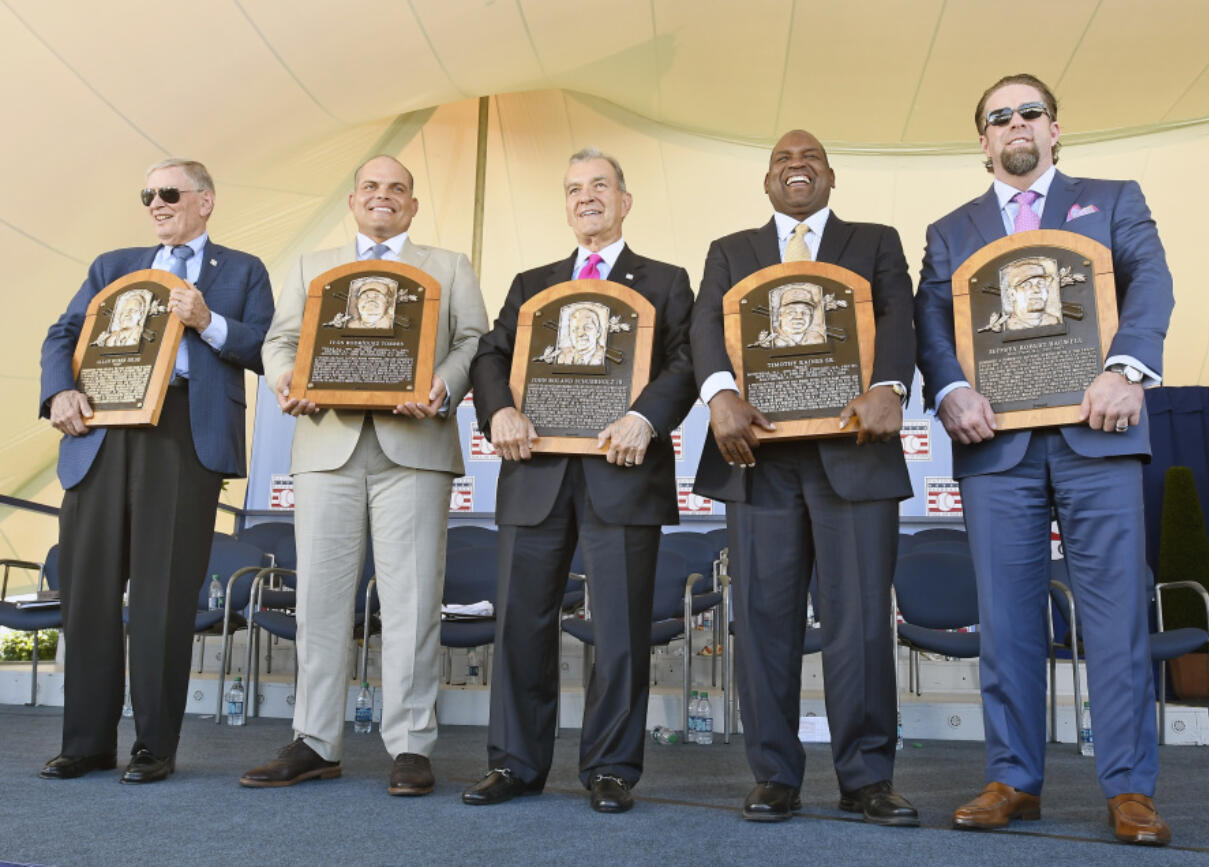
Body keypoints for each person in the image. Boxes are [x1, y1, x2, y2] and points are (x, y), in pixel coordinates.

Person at [914, 73, 1174, 846]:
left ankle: (1129, 786)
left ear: (1054, 129)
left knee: (1116, 617)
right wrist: (952, 387)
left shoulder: (1114, 197)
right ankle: (1012, 777)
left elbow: (1151, 281)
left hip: (1101, 432)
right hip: (997, 447)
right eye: (1000, 117)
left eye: (1031, 111)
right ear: (984, 141)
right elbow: (932, 319)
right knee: (1006, 617)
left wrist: (1128, 367)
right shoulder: (949, 229)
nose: (1017, 124)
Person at [689, 129, 917, 825]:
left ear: (831, 177)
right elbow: (704, 326)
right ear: (766, 182)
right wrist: (719, 393)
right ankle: (775, 774)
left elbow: (901, 316)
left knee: (860, 624)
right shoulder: (731, 251)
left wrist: (890, 386)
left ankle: (867, 777)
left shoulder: (876, 240)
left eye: (810, 157)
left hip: (855, 453)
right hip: (761, 460)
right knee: (763, 622)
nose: (797, 166)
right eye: (783, 159)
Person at [242, 155, 488, 795]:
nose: (385, 197)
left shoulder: (449, 266)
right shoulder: (309, 266)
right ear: (353, 201)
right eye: (372, 188)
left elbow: (473, 342)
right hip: (327, 447)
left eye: (398, 190)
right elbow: (279, 342)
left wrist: (444, 386)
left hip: (416, 444)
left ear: (412, 206)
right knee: (319, 603)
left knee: (412, 603)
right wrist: (283, 378)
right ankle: (314, 741)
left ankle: (410, 745)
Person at [462, 147, 695, 814]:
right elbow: (490, 354)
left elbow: (685, 359)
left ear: (625, 201)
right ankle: (513, 762)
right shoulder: (531, 281)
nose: (586, 197)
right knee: (520, 622)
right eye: (573, 189)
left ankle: (612, 766)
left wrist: (646, 417)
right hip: (535, 471)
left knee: (620, 626)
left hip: (623, 471)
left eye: (600, 186)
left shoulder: (667, 279)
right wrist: (499, 407)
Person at [38, 158, 274, 783]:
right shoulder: (112, 267)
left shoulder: (243, 270)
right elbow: (61, 336)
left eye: (169, 192)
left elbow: (265, 348)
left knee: (163, 597)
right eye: (148, 194)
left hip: (183, 433)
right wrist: (60, 392)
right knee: (87, 591)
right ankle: (86, 742)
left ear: (206, 201)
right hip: (99, 431)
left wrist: (207, 321)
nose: (157, 203)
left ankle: (153, 745)